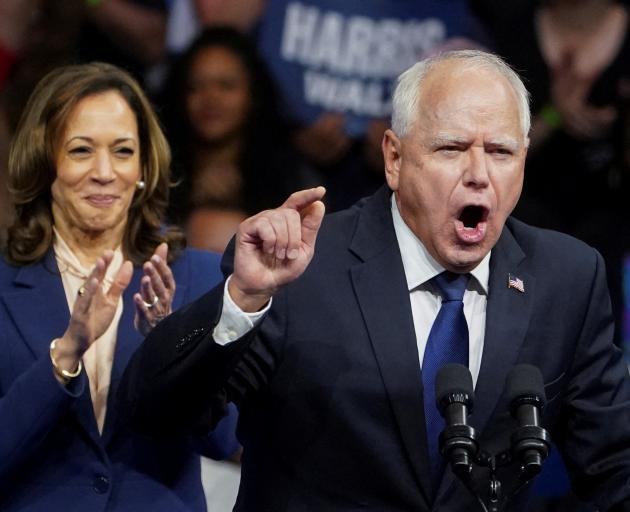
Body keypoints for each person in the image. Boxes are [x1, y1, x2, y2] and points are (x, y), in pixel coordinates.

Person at [119, 50, 630, 511]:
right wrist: (244, 299)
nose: (479, 174)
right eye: (451, 148)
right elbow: (161, 416)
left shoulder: (566, 278)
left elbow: (614, 468)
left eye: (500, 152)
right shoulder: (300, 265)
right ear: (394, 158)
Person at [0, 62, 239, 511]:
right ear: (43, 160)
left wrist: (172, 349)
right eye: (81, 151)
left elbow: (223, 441)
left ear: (145, 166)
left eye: (124, 151)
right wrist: (67, 352)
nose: (105, 172)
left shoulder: (199, 279)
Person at [162, 27, 320, 252]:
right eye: (195, 87)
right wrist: (187, 196)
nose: (211, 99)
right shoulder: (158, 171)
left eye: (226, 86)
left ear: (253, 94)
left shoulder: (290, 175)